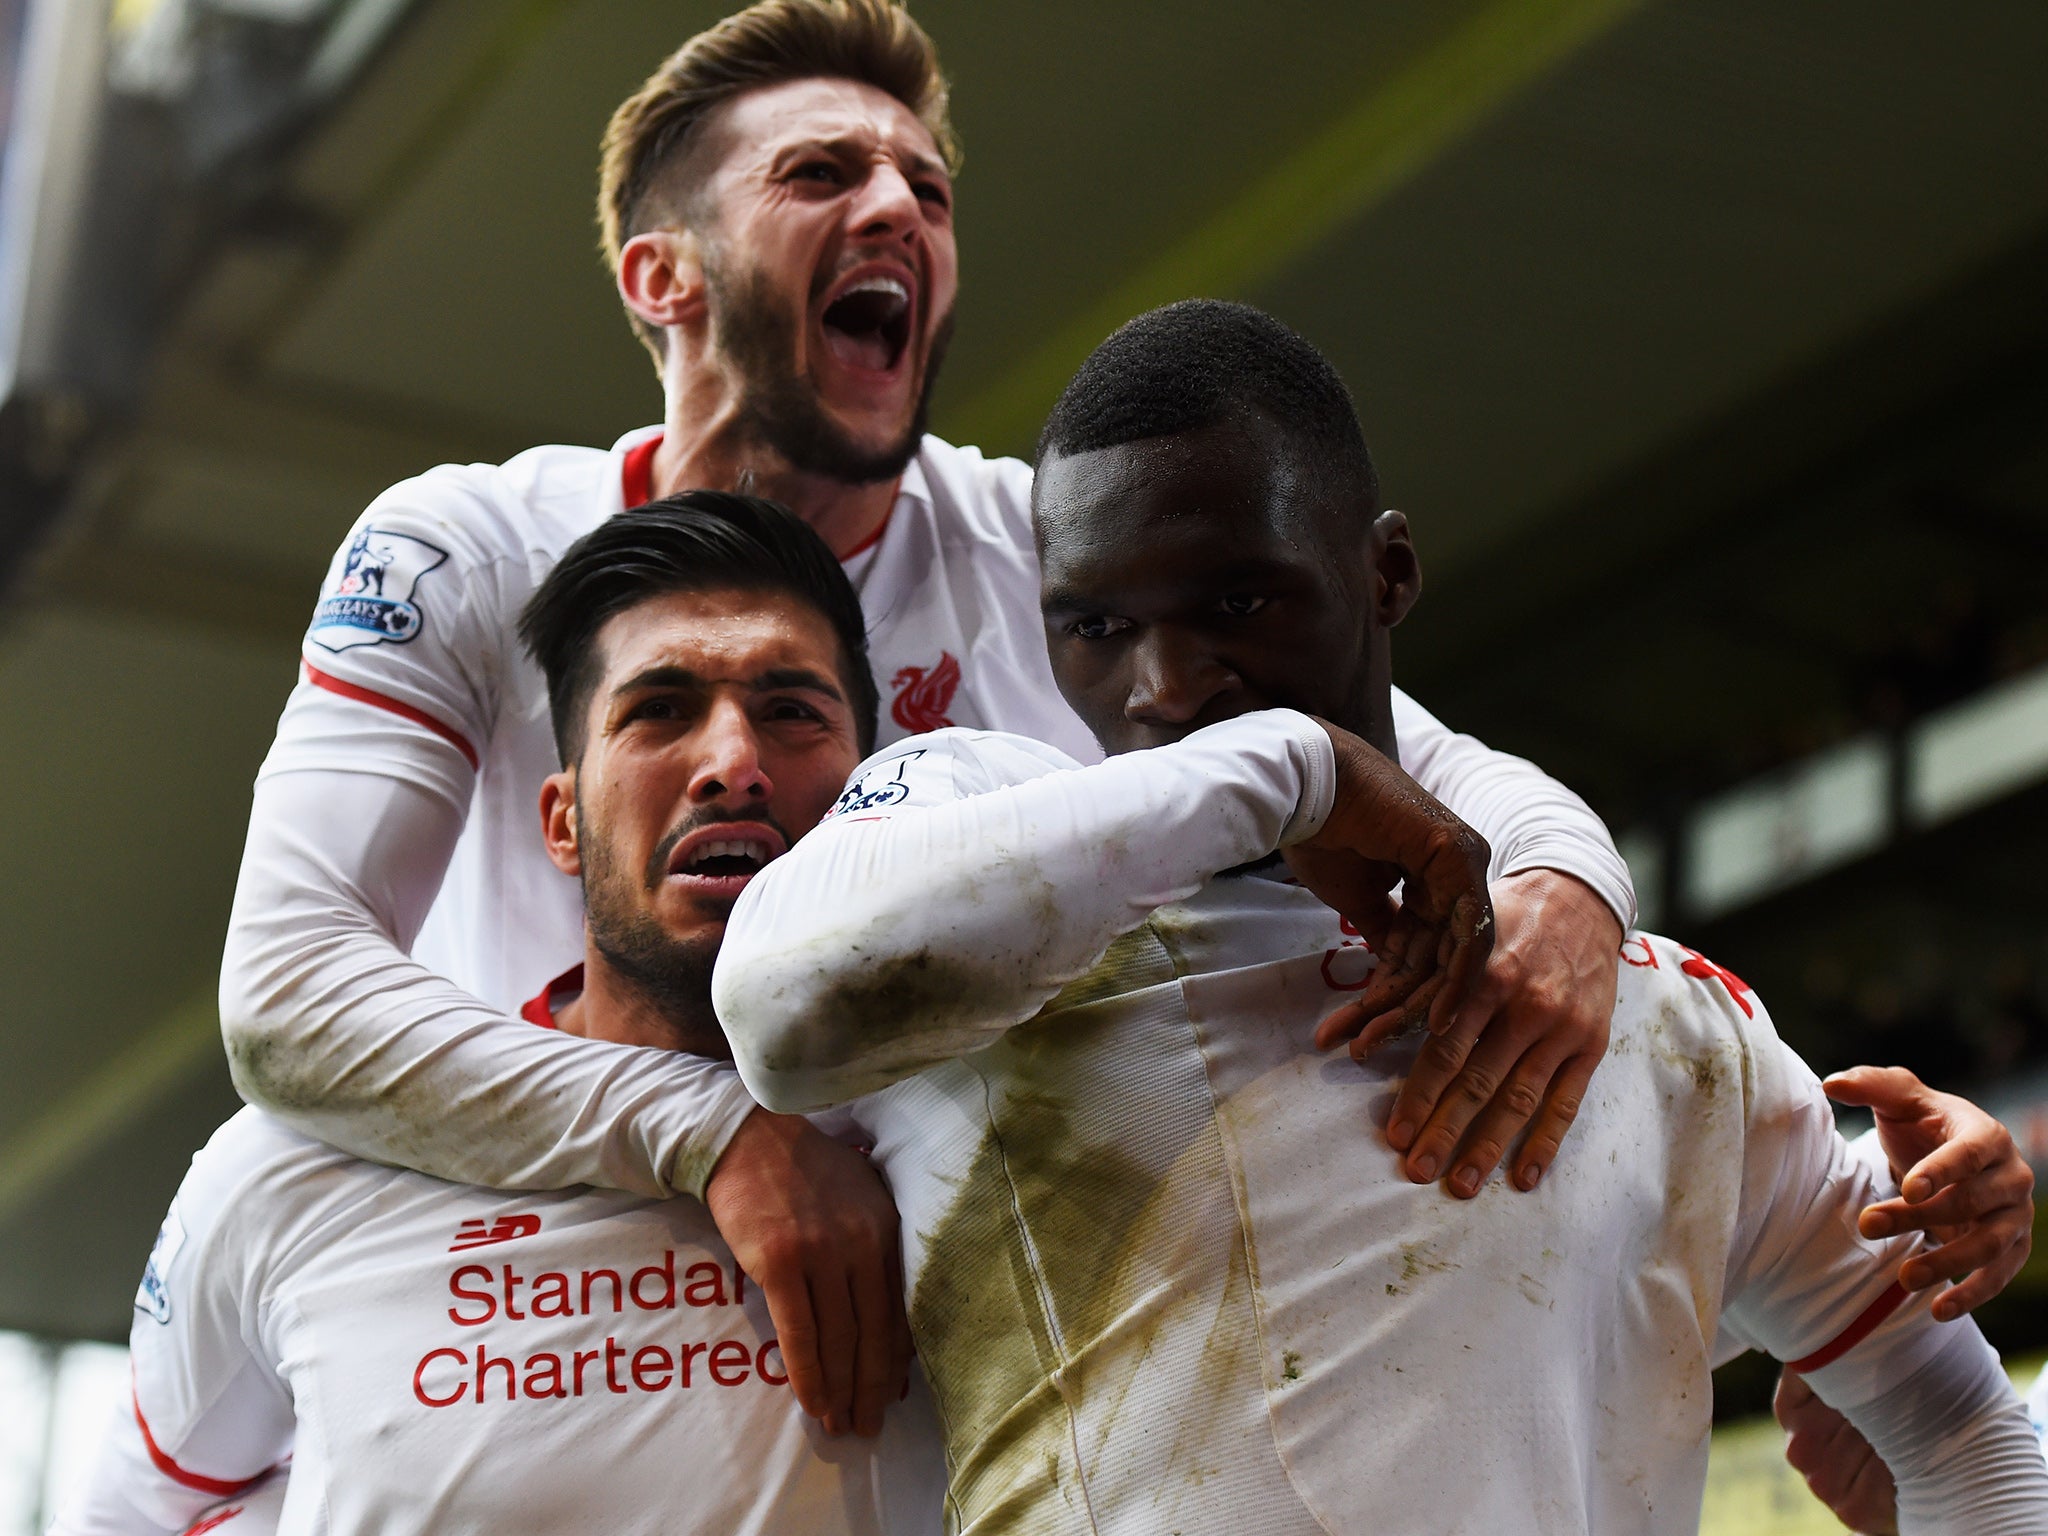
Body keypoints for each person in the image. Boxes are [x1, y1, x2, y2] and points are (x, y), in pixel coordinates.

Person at [217, 0, 1659, 1435]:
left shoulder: (1028, 549)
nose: (898, 207)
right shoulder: (462, 545)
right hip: (543, 1326)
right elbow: (284, 995)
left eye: (928, 187)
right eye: (821, 174)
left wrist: (1569, 886)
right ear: (661, 275)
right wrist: (709, 1131)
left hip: (931, 1370)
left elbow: (1395, 758)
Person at [713, 300, 2048, 1532]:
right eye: (1098, 625)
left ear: (1387, 573)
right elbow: (781, 1004)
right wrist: (1293, 770)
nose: (1164, 685)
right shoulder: (971, 846)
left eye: (1237, 601)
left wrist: (1930, 1206)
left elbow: (1963, 1430)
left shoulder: (1643, 1017)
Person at [53, 497, 942, 1536]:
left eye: (792, 711)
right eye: (659, 709)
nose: (732, 762)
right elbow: (137, 1516)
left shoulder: (982, 1130)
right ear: (562, 824)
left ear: (874, 792)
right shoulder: (285, 1172)